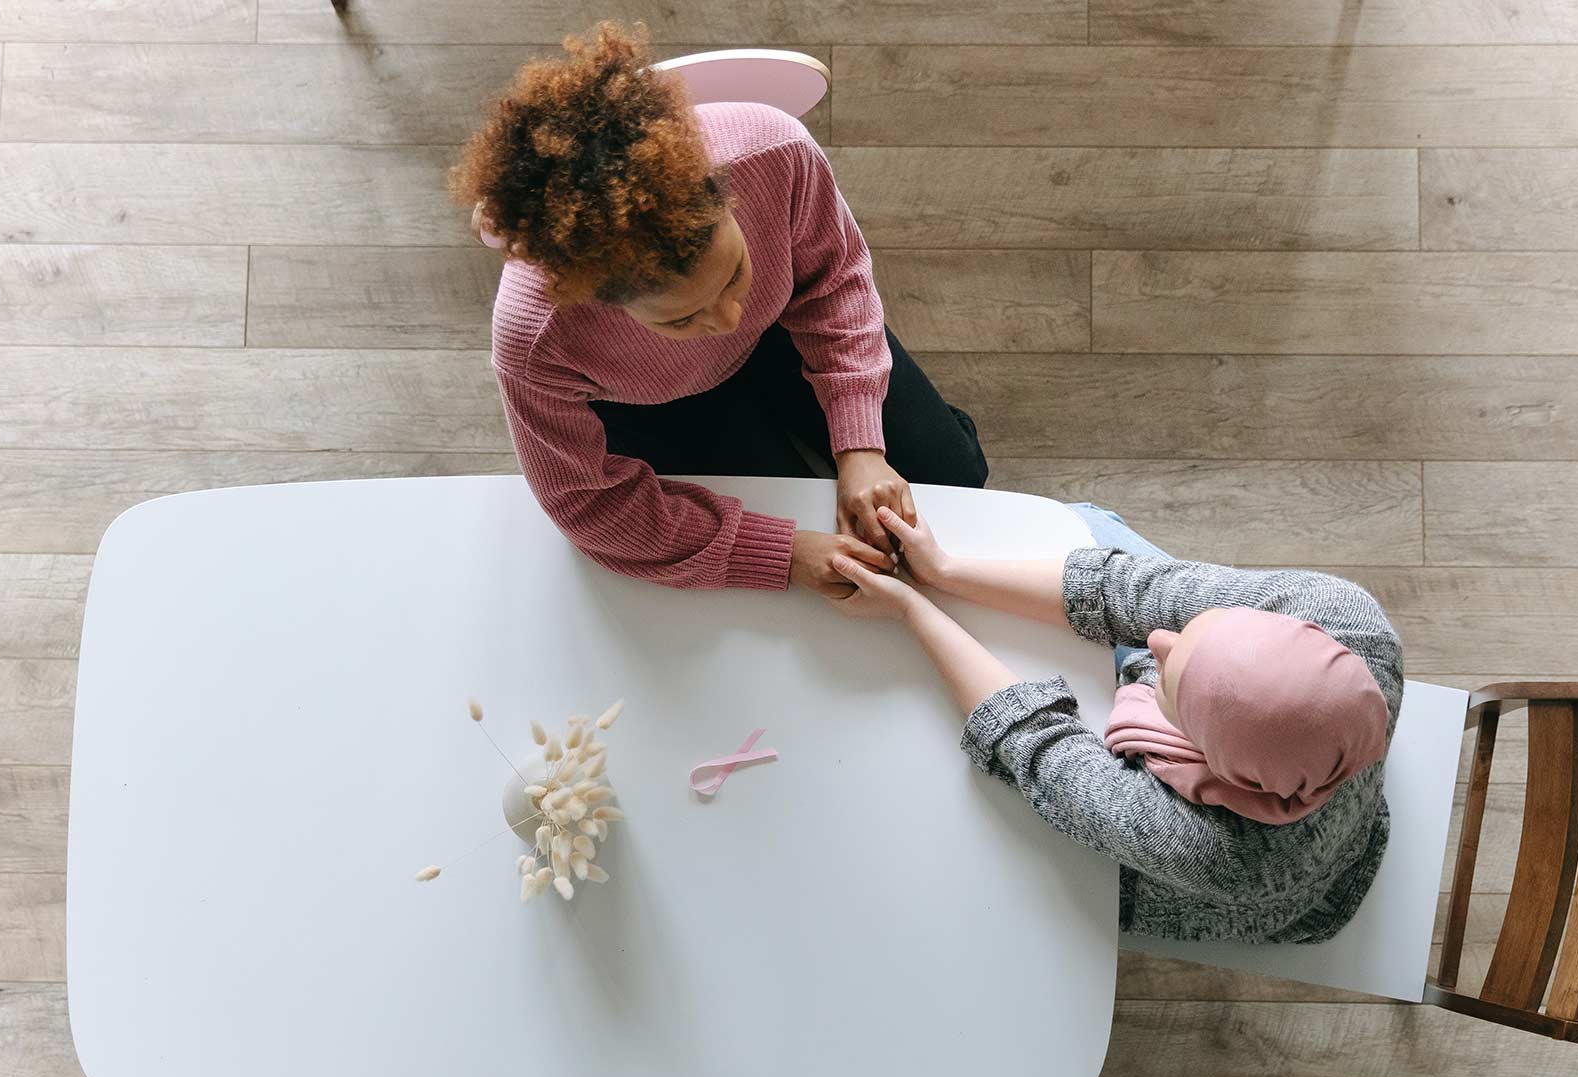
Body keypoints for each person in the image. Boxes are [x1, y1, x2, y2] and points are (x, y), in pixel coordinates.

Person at [451, 23, 989, 596]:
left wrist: (860, 446)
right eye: (680, 318)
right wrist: (783, 555)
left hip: (783, 330)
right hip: (652, 402)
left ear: (730, 196)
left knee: (955, 477)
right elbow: (587, 502)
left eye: (734, 273)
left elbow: (834, 281)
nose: (730, 319)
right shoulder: (535, 339)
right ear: (596, 301)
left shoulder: (776, 152)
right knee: (800, 514)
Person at [826, 503, 1402, 944]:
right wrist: (944, 570)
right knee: (1084, 525)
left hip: (1219, 893)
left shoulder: (1219, 852)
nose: (1156, 642)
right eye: (1200, 628)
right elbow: (1129, 593)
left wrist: (911, 608)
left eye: (1169, 679)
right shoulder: (1349, 619)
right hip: (1269, 787)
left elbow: (1038, 746)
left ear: (1222, 762)